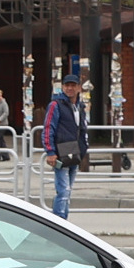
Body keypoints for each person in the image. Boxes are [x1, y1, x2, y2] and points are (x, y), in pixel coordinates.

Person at [47, 74, 88, 217]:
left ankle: (64, 222)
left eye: (73, 85)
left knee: (67, 191)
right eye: (67, 85)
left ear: (78, 88)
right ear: (63, 87)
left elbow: (82, 128)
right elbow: (48, 128)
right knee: (63, 190)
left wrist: (83, 148)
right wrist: (50, 151)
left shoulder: (79, 106)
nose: (70, 88)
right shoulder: (55, 104)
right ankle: (59, 222)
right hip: (60, 152)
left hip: (74, 151)